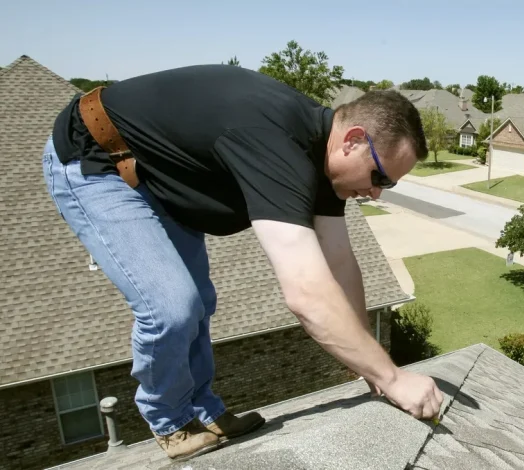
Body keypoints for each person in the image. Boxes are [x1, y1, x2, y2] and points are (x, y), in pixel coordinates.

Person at [42, 64, 443, 461]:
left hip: (156, 176)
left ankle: (205, 411)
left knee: (198, 301)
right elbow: (307, 293)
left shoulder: (322, 159)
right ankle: (169, 422)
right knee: (172, 307)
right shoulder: (275, 144)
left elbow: (339, 263)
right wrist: (394, 379)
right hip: (98, 158)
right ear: (352, 140)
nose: (376, 193)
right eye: (381, 177)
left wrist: (375, 370)